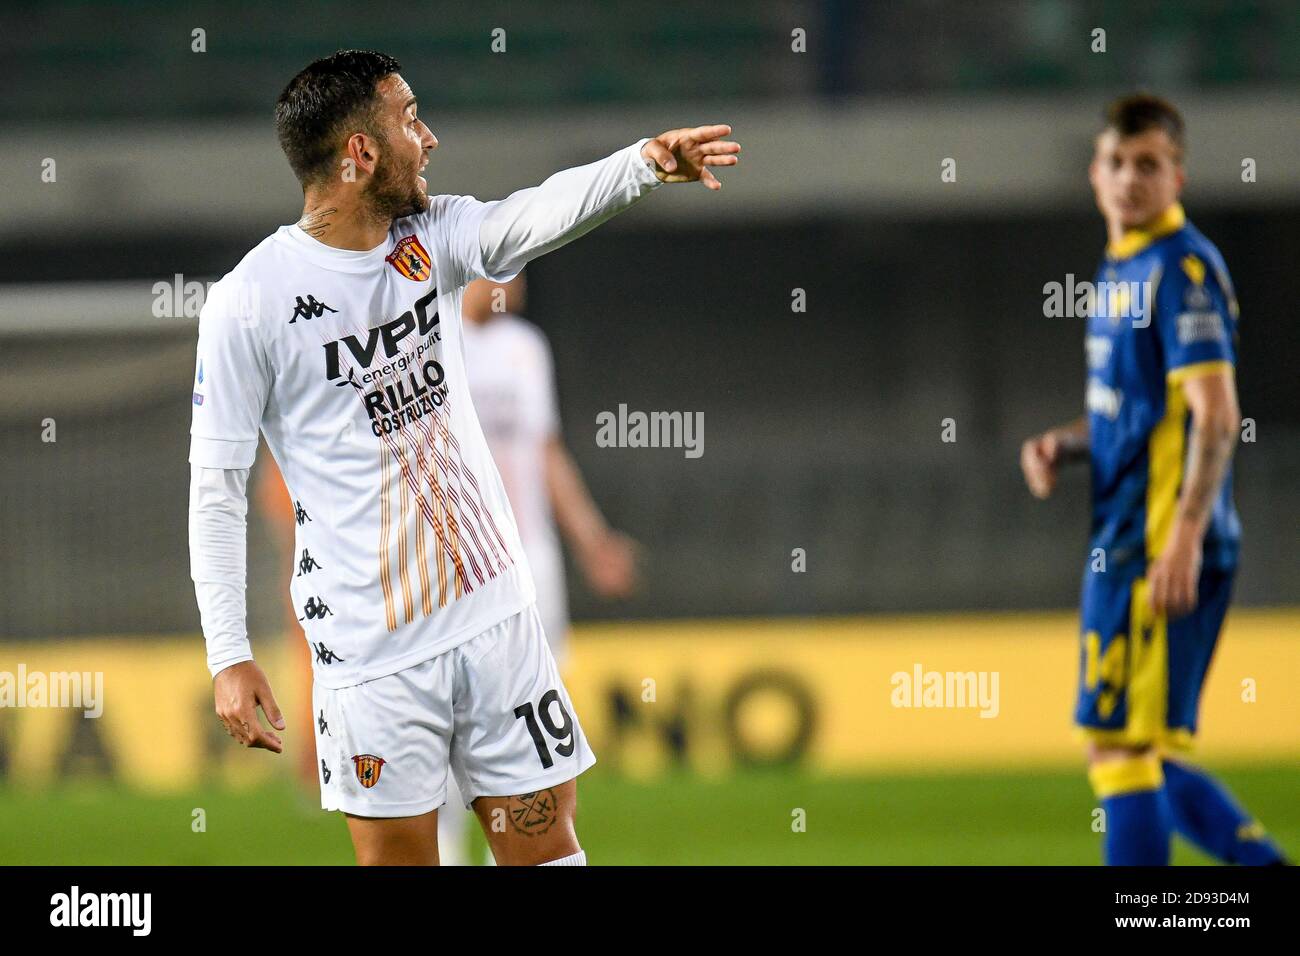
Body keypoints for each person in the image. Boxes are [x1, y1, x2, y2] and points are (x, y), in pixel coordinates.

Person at [188, 49, 739, 865]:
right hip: (370, 657)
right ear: (360, 153)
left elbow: (533, 214)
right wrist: (230, 653)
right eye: (411, 118)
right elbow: (217, 488)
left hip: (495, 620)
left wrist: (643, 165)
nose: (431, 137)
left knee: (546, 847)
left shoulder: (431, 236)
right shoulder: (249, 304)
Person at [1019, 93, 1284, 866]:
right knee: (1137, 751)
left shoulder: (1183, 268)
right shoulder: (1120, 268)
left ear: (1178, 177)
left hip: (1159, 548)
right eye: (1115, 163)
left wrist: (1186, 538)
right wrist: (1063, 447)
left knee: (1123, 748)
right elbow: (1131, 415)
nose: (1129, 179)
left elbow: (1217, 413)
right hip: (1125, 541)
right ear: (1094, 175)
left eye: (1148, 165)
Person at [431, 271, 638, 863]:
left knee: (531, 722)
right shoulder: (434, 340)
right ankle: (448, 849)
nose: (511, 282)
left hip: (532, 561)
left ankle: (520, 849)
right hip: (462, 564)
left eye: (518, 270)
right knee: (452, 715)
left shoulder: (527, 347)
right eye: (499, 269)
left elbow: (545, 450)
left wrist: (592, 539)